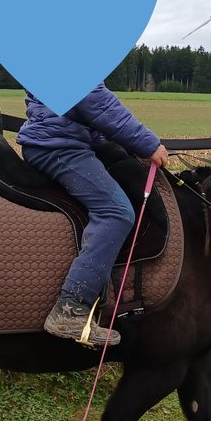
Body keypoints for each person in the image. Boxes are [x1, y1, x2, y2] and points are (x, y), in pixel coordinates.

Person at [18, 83, 169, 346]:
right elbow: (98, 104)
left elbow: (81, 113)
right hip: (59, 149)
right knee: (116, 212)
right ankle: (71, 308)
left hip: (59, 142)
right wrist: (148, 144)